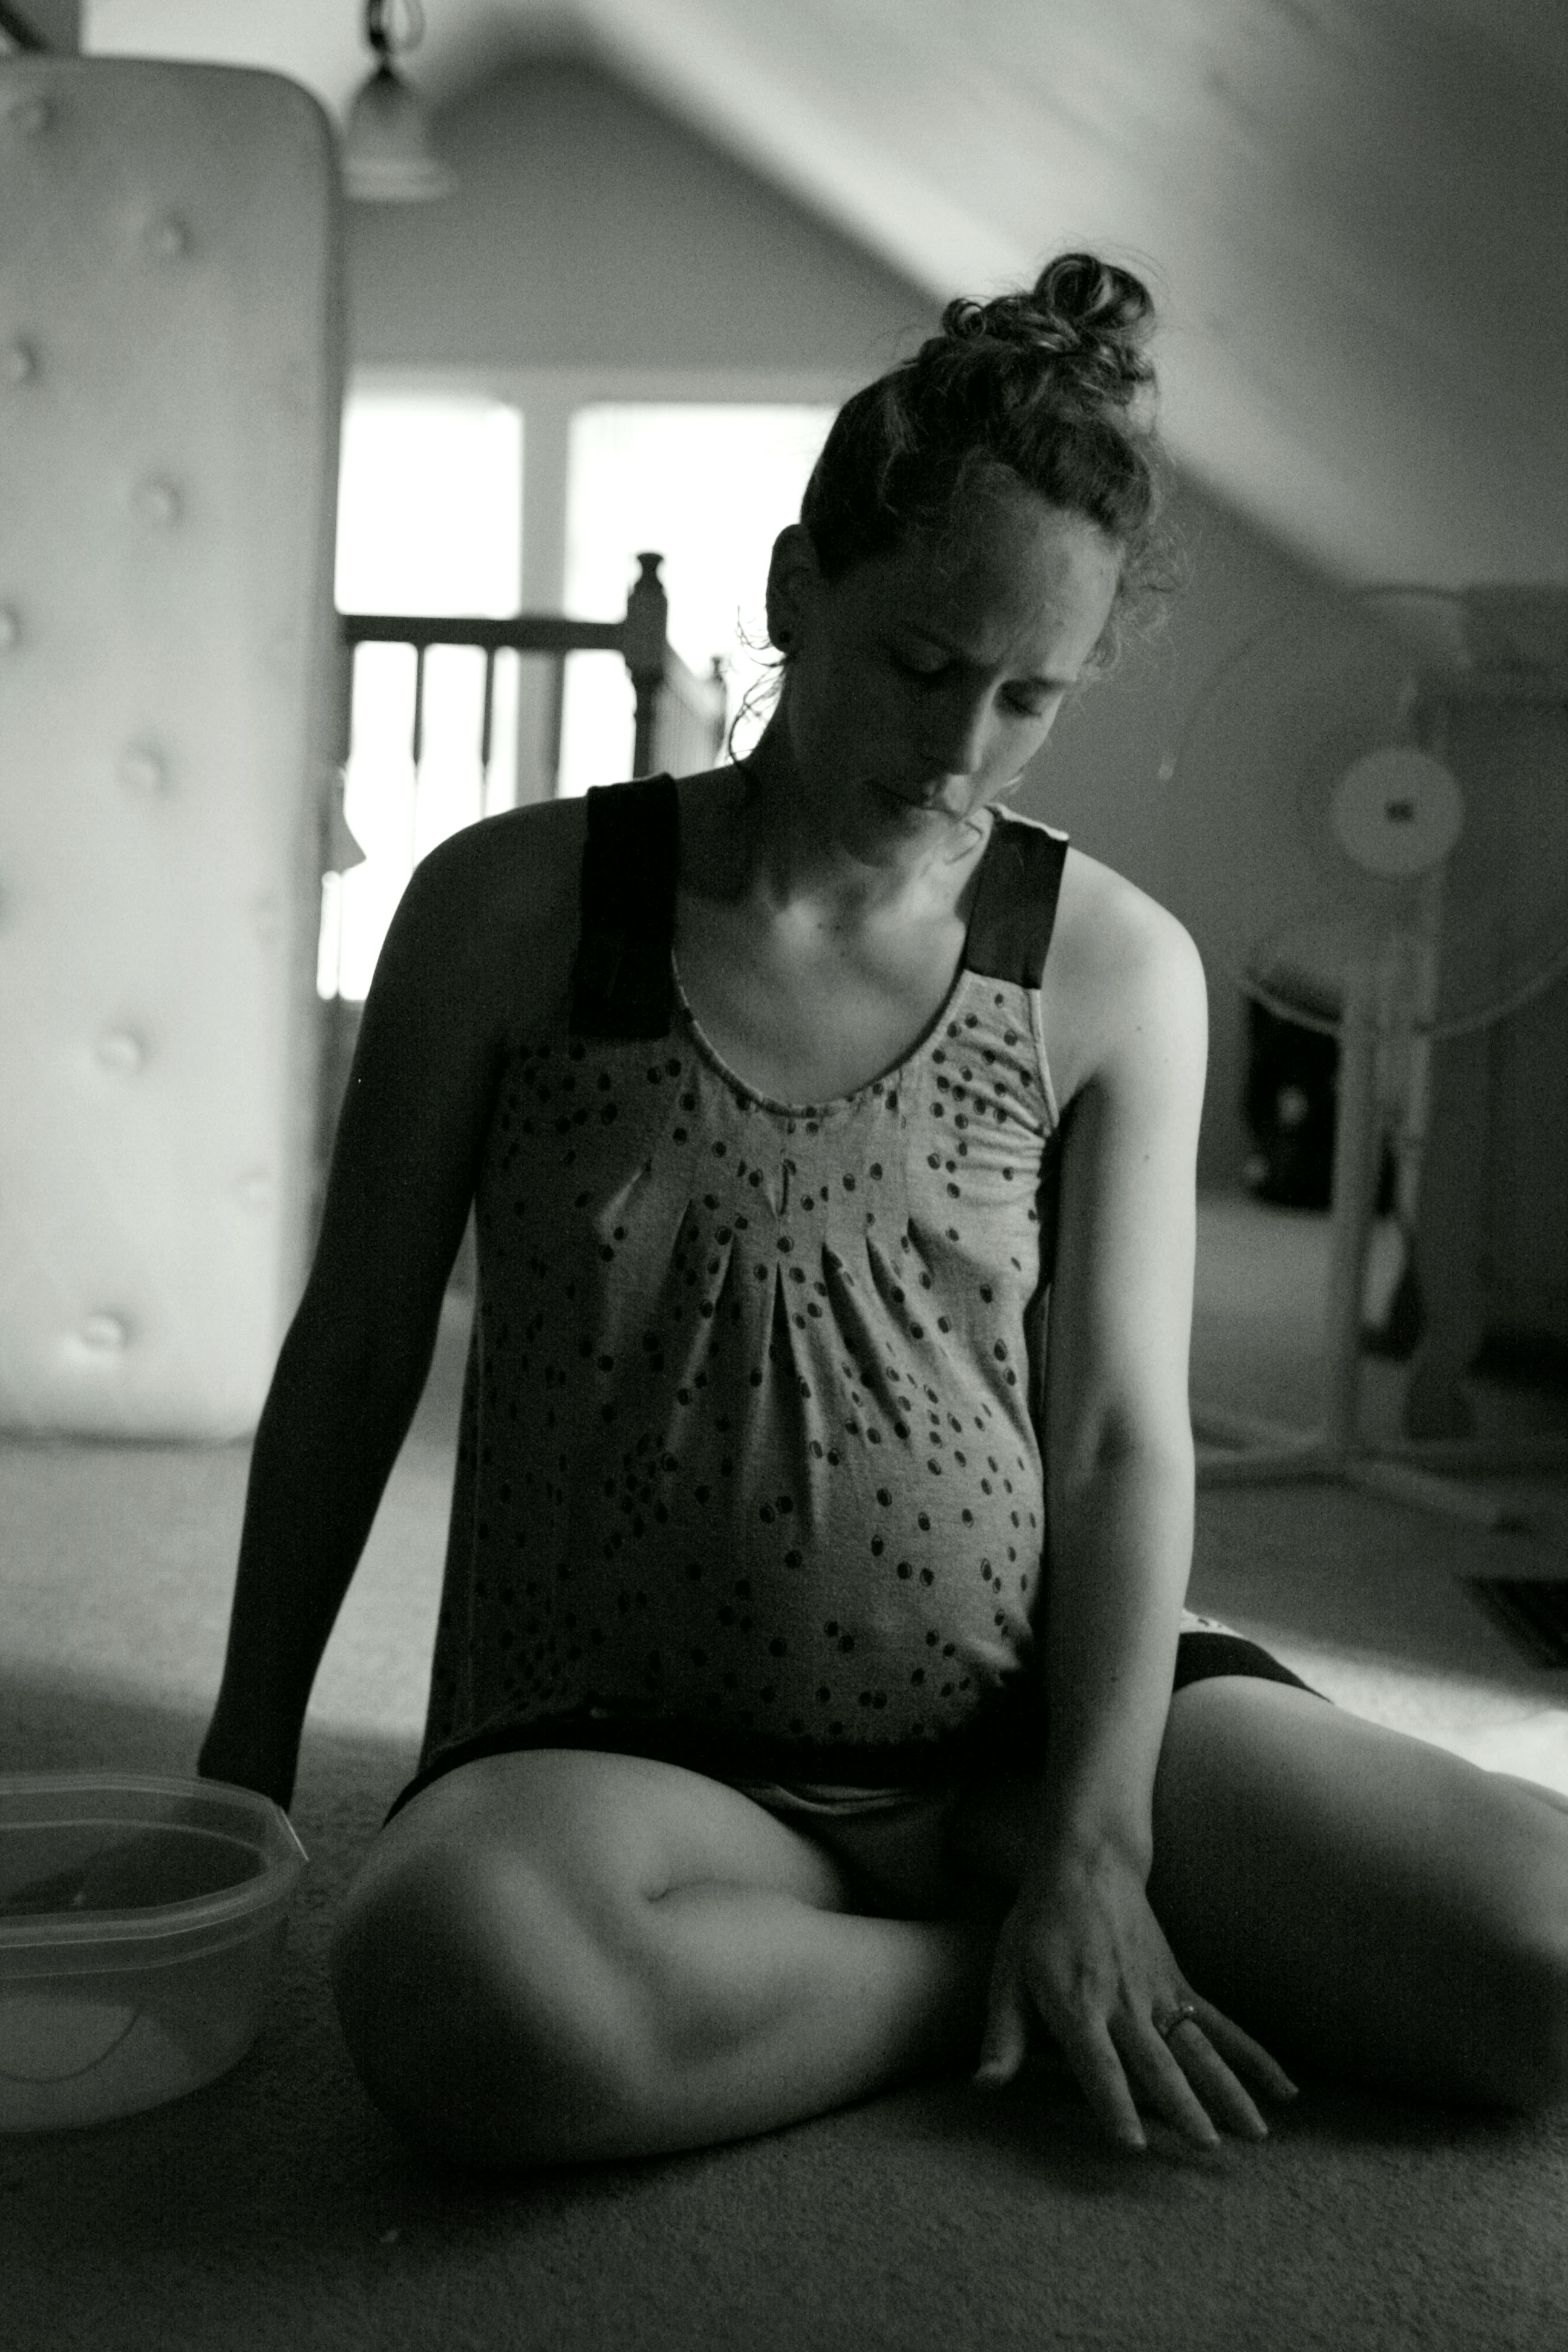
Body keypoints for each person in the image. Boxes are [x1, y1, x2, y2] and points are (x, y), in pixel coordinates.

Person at [199, 253, 1568, 2171]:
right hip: (636, 1761)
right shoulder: (505, 910)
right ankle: (978, 1979)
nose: (959, 750)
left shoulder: (1114, 967)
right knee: (453, 1986)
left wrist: (1098, 1840)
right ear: (795, 593)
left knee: (1538, 1954)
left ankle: (1023, 1910)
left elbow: (1117, 1437)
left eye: (1029, 698)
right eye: (923, 666)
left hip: (1028, 1724)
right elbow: (354, 1353)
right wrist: (245, 1765)